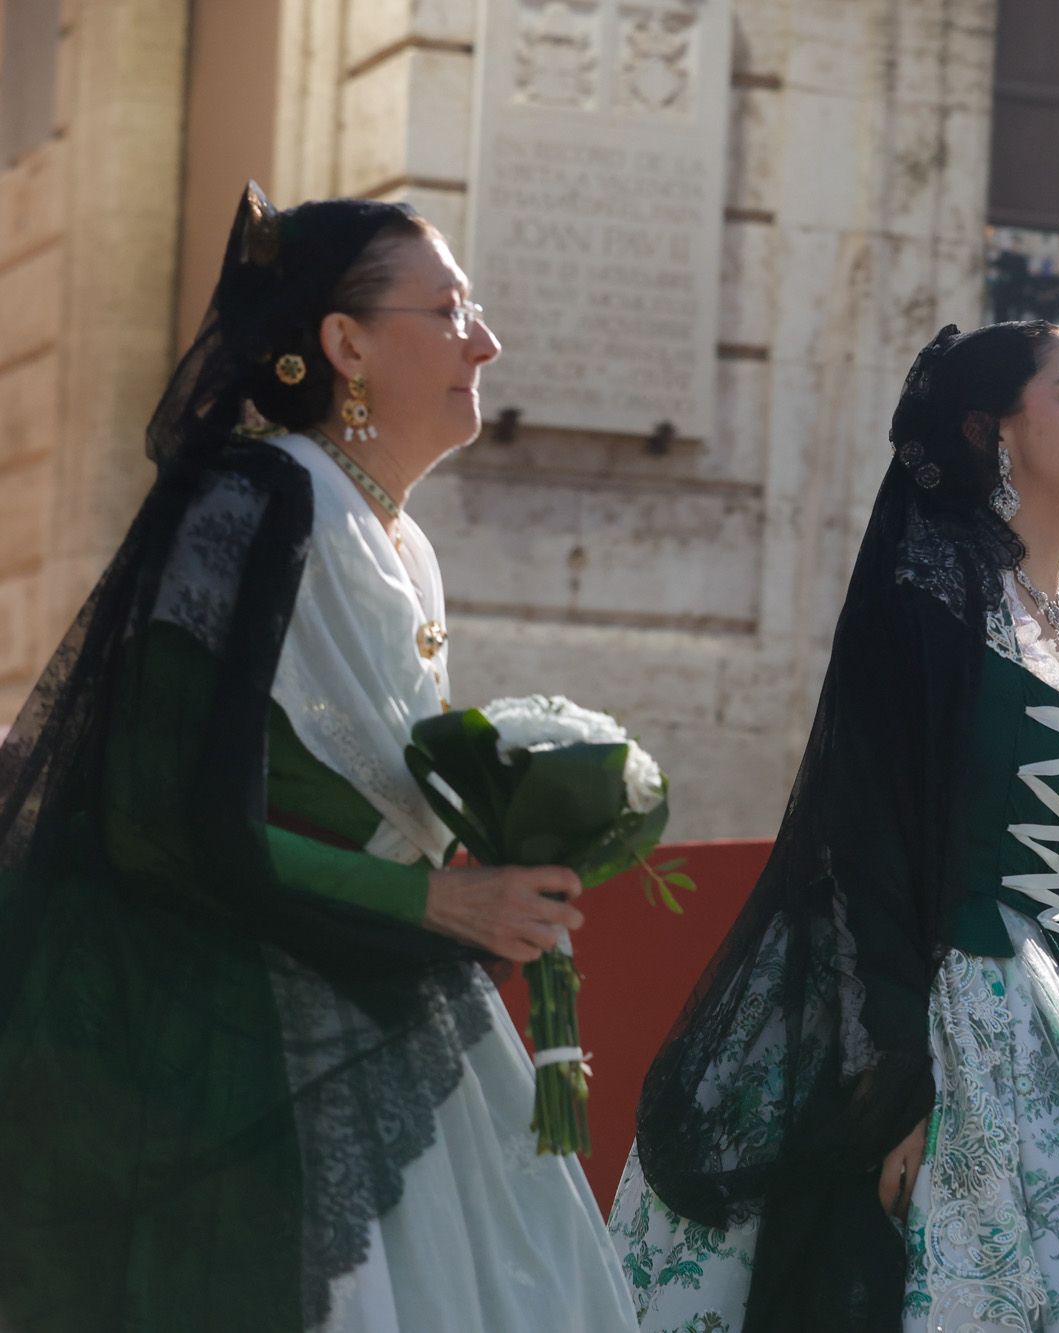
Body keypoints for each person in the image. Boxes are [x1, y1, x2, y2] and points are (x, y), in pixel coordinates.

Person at [0, 184, 637, 1332]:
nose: (483, 339)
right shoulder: (253, 496)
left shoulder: (395, 533)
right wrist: (436, 898)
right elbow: (158, 813)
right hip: (239, 1045)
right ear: (343, 343)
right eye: (446, 310)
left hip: (385, 1002)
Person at [611, 323, 1059, 1331]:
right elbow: (861, 839)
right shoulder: (935, 591)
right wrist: (891, 1083)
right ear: (989, 430)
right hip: (939, 1002)